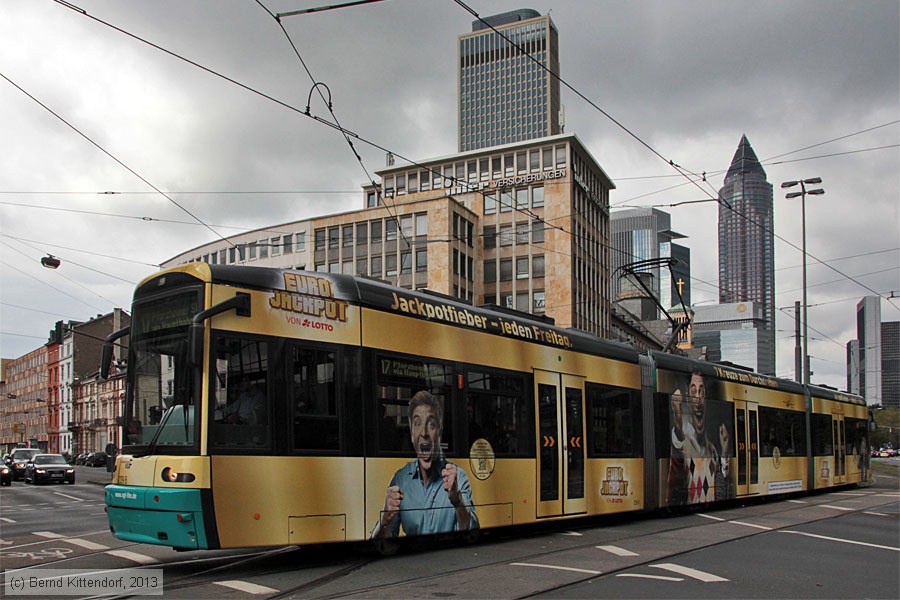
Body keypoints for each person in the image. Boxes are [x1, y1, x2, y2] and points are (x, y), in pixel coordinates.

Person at [372, 391, 479, 538]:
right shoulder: (400, 480)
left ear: (440, 431)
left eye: (431, 424)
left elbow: (471, 534)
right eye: (417, 423)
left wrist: (457, 500)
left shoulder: (458, 478)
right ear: (411, 433)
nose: (424, 432)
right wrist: (384, 519)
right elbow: (382, 546)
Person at [666, 370, 732, 505]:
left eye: (701, 393)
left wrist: (724, 452)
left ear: (706, 399)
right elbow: (676, 476)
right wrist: (678, 426)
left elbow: (721, 490)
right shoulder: (684, 441)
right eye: (693, 392)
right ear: (687, 399)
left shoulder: (712, 450)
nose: (698, 400)